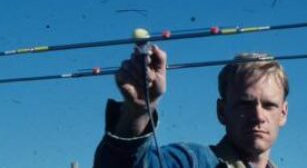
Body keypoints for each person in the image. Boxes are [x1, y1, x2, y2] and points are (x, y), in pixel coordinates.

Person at [95, 47, 289, 168]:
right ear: (222, 111)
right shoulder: (192, 161)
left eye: (269, 105)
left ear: (283, 113)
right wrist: (138, 111)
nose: (258, 116)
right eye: (244, 105)